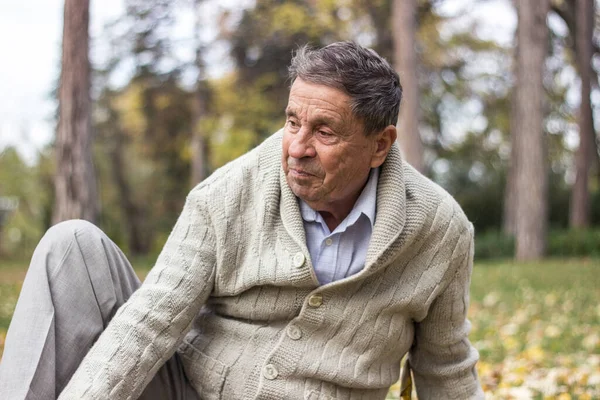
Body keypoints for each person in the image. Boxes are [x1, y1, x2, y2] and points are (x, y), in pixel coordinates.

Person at [0, 41, 483, 399]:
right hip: (193, 391)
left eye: (324, 131)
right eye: (292, 122)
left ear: (380, 145)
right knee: (72, 245)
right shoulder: (225, 195)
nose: (296, 147)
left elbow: (446, 366)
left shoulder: (439, 230)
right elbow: (149, 323)